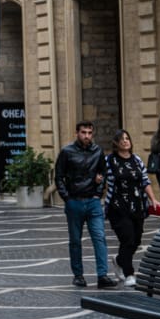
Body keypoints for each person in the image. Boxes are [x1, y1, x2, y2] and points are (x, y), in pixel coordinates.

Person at [55, 120, 116, 289]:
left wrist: (98, 192)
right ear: (77, 133)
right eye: (83, 132)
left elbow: (103, 172)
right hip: (74, 201)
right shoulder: (67, 152)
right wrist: (66, 198)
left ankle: (102, 275)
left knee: (99, 237)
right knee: (75, 240)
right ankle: (78, 275)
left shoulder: (98, 151)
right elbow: (58, 176)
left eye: (90, 133)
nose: (87, 136)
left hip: (93, 202)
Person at [105, 129, 160, 287]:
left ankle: (119, 260)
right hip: (117, 207)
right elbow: (100, 177)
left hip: (137, 206)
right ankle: (129, 273)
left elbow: (144, 181)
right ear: (116, 143)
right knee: (127, 238)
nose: (125, 141)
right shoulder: (109, 160)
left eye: (127, 138)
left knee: (136, 240)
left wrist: (153, 199)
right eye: (121, 139)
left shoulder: (136, 160)